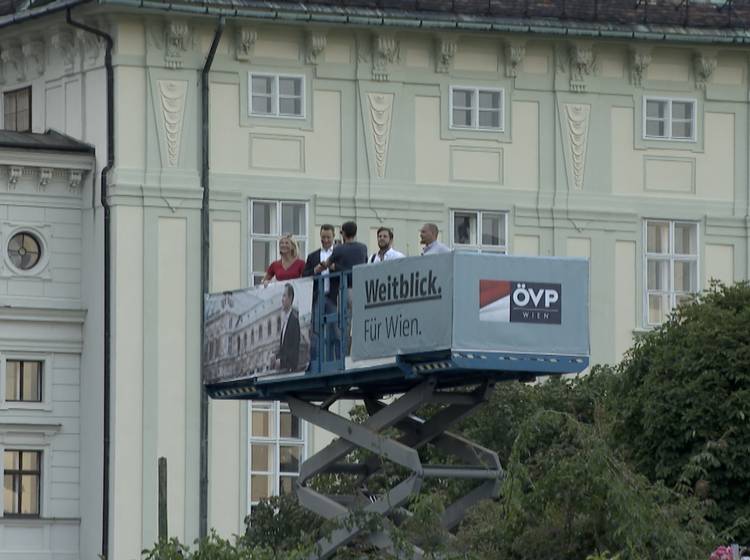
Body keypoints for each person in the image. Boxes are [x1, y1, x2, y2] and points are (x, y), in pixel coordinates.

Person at [302, 224, 337, 363]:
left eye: (328, 237)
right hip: (318, 296)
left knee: (336, 330)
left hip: (334, 296)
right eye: (323, 237)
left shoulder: (338, 253)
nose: (326, 240)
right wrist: (315, 270)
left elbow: (346, 268)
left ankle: (336, 361)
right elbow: (305, 275)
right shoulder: (313, 256)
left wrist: (333, 267)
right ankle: (316, 362)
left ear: (333, 237)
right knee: (316, 331)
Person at [275, 283, 301, 372]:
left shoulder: (294, 321)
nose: (282, 299)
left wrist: (281, 362)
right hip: (284, 370)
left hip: (290, 371)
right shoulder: (286, 320)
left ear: (290, 298)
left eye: (284, 296)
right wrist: (276, 357)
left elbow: (293, 351)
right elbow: (283, 349)